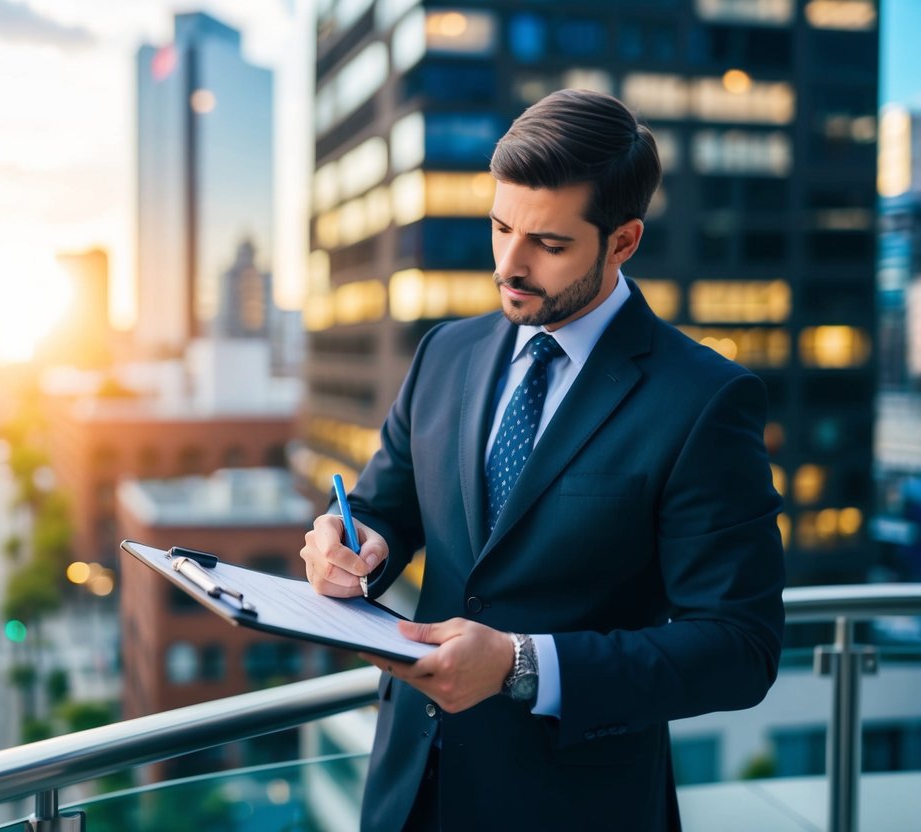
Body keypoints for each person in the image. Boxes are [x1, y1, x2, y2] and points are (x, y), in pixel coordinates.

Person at [299, 89, 785, 832]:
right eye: (500, 228)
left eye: (548, 245)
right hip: (408, 788)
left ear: (622, 242)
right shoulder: (444, 353)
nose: (510, 267)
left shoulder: (704, 401)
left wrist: (523, 665)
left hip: (574, 805)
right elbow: (384, 506)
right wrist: (353, 542)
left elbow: (738, 647)